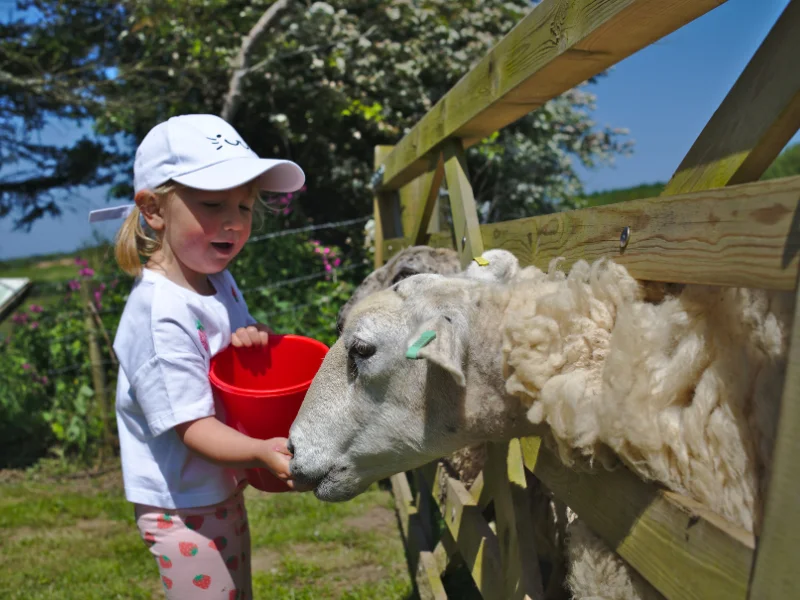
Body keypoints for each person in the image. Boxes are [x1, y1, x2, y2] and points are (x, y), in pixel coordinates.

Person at [95, 114, 308, 600]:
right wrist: (258, 451)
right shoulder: (159, 312)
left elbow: (223, 360)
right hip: (181, 506)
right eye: (213, 204)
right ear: (153, 209)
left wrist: (250, 339)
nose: (234, 222)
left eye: (246, 207)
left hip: (216, 489)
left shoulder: (216, 281)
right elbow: (190, 426)